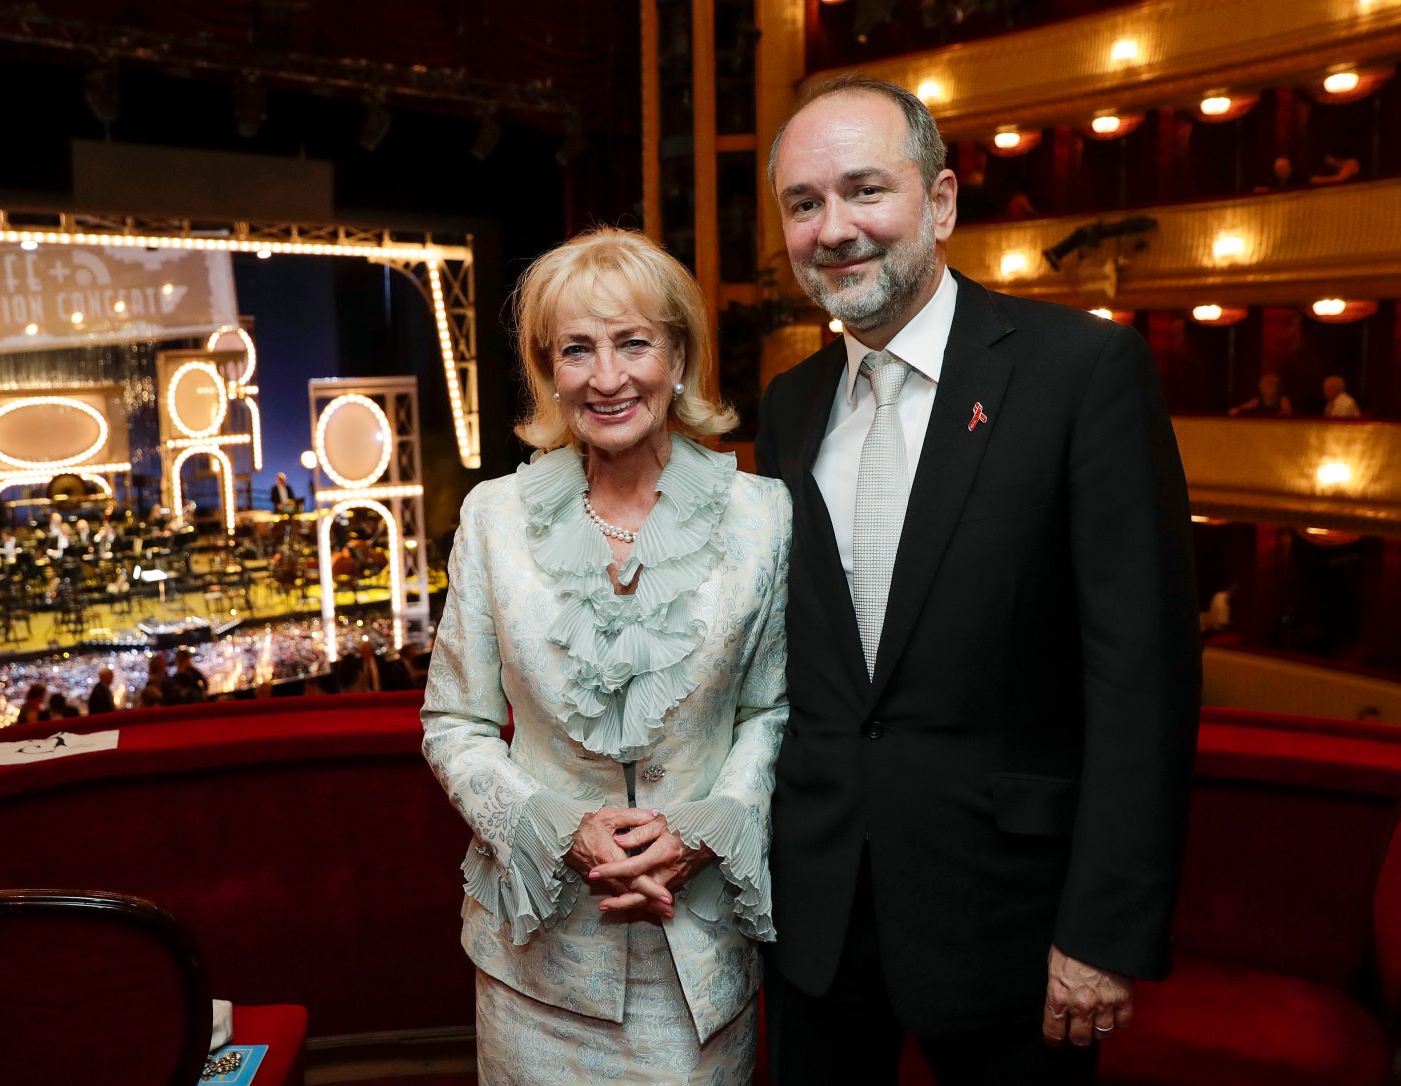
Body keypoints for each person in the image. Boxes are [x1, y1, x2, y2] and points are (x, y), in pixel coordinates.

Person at [756, 75, 1200, 1083]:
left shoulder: (1080, 372)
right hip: (817, 923)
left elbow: (1142, 677)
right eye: (803, 203)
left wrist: (1104, 929)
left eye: (865, 190)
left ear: (942, 201)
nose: (834, 229)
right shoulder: (789, 404)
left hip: (1013, 927)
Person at [421, 227, 791, 1081]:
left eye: (633, 343)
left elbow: (770, 707)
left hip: (697, 963)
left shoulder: (763, 515)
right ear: (548, 371)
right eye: (577, 349)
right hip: (537, 968)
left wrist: (707, 827)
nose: (607, 377)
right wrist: (558, 827)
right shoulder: (493, 518)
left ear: (679, 356)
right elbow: (454, 723)